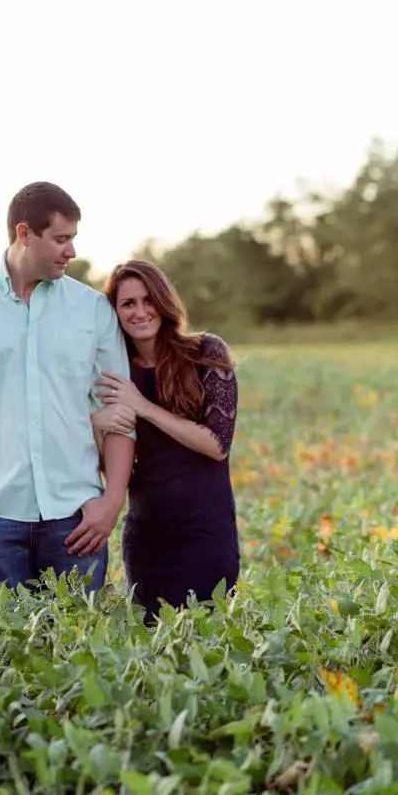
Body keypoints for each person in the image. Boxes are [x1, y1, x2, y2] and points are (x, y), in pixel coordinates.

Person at [0, 182, 135, 594]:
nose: (71, 251)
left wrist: (112, 502)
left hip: (78, 520)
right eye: (60, 239)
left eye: (73, 239)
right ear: (23, 233)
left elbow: (120, 414)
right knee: (0, 652)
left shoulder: (92, 310)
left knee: (78, 650)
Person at [91, 259, 239, 622]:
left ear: (164, 302)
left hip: (206, 532)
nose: (140, 311)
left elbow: (217, 444)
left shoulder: (206, 353)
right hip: (147, 535)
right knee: (150, 648)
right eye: (128, 303)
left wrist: (143, 406)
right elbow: (107, 465)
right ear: (115, 312)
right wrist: (96, 423)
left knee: (207, 640)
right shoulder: (115, 372)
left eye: (148, 300)